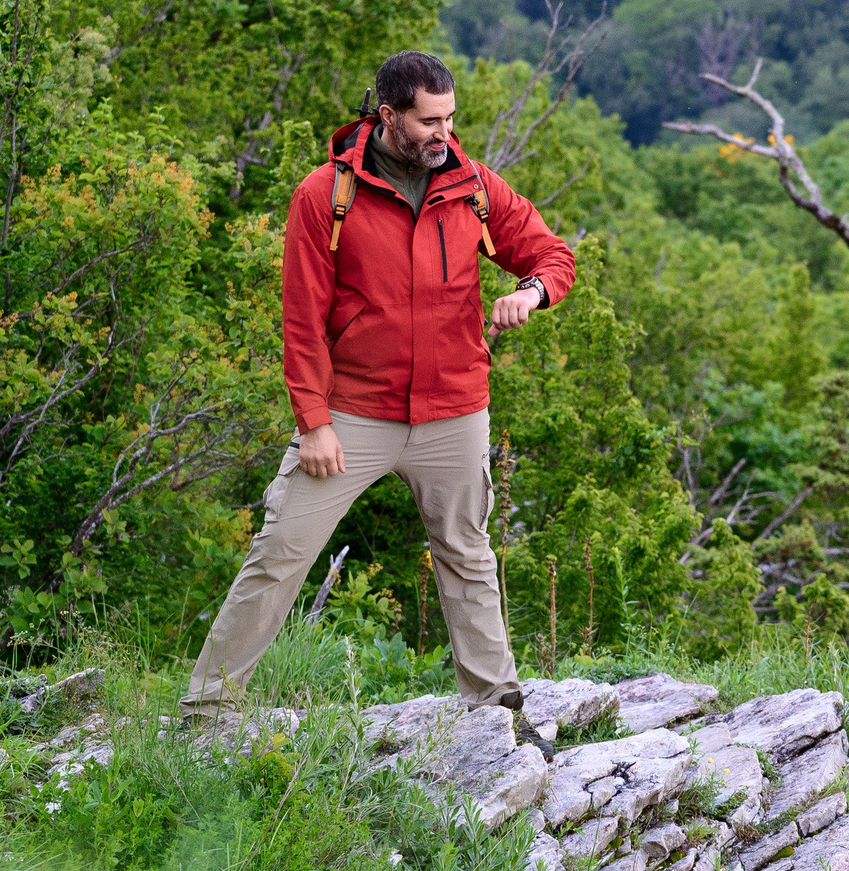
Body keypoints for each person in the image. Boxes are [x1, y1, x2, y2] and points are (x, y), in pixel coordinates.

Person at [182, 50, 575, 728]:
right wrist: (313, 422)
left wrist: (532, 292)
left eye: (450, 119)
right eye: (429, 122)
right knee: (280, 551)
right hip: (353, 413)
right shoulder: (325, 195)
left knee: (468, 557)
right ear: (388, 115)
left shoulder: (472, 185)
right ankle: (207, 711)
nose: (444, 134)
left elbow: (552, 253)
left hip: (454, 409)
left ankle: (497, 711)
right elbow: (302, 320)